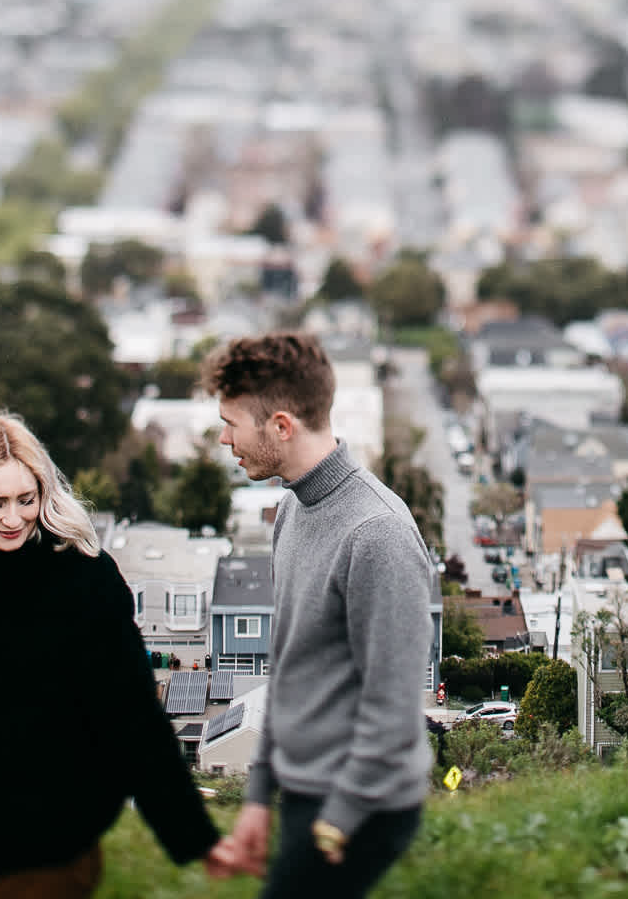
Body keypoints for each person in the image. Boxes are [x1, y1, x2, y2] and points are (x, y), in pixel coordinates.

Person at [0, 412, 229, 898]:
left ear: (45, 494)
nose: (13, 518)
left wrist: (191, 834)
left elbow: (133, 717)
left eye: (27, 500)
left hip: (51, 847)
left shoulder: (86, 580)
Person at [202, 333, 434, 898]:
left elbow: (396, 703)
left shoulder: (377, 533)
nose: (224, 437)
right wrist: (259, 798)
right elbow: (287, 669)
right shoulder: (292, 511)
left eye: (232, 422)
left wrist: (336, 821)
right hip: (309, 791)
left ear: (282, 426)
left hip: (365, 802)